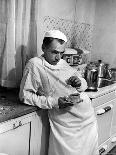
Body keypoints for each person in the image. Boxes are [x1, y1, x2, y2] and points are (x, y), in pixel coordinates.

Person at [19, 30, 99, 155]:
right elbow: (25, 95)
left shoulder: (62, 63)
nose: (58, 57)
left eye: (62, 53)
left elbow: (83, 84)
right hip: (66, 125)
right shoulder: (35, 64)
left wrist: (79, 83)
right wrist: (55, 102)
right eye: (54, 52)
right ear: (43, 48)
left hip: (87, 119)